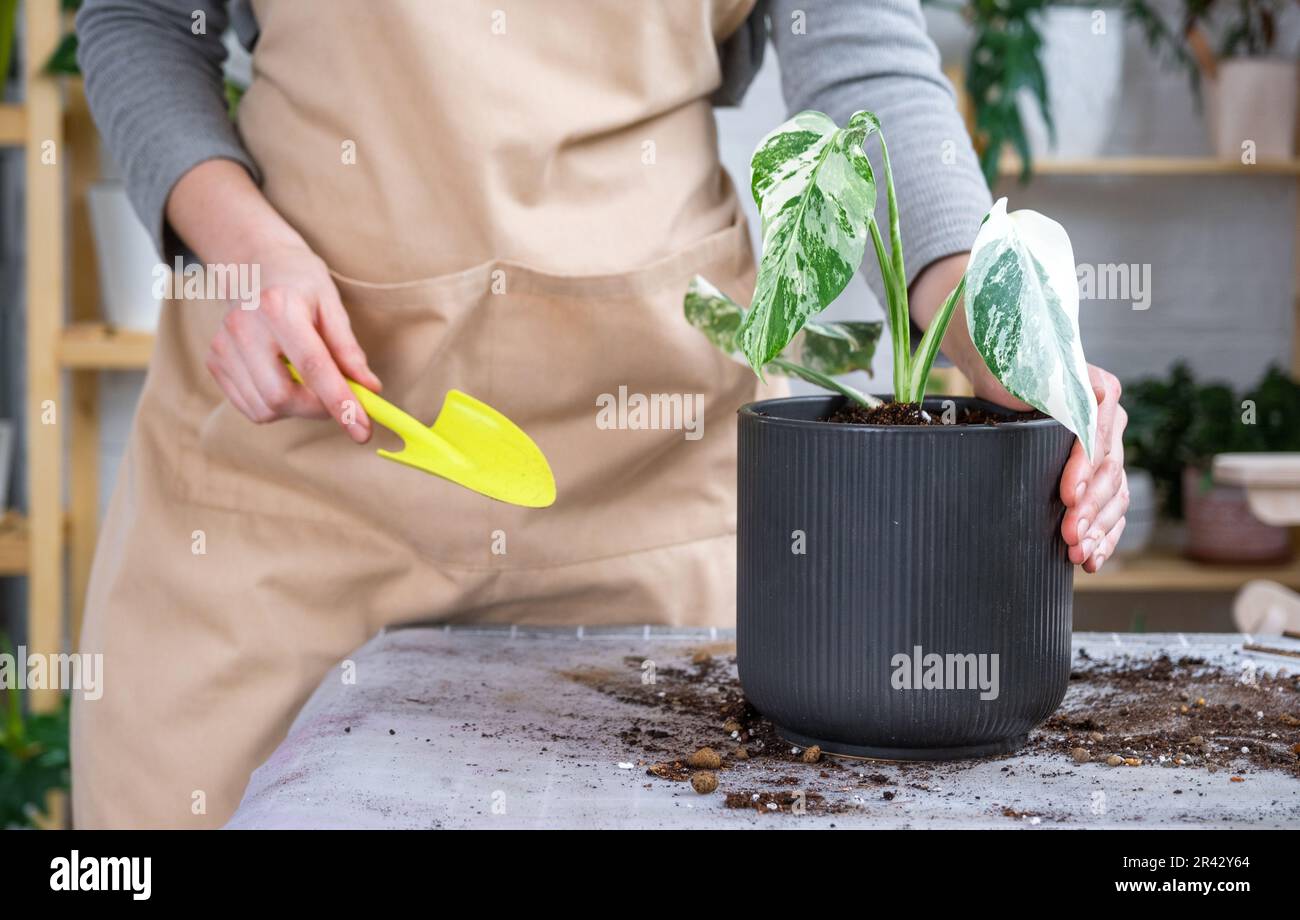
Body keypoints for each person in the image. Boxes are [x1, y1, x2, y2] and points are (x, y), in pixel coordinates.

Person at [71, 0, 1129, 828]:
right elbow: (145, 22)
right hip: (297, 454)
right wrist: (251, 256)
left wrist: (1002, 338)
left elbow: (863, 59)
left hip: (647, 474)